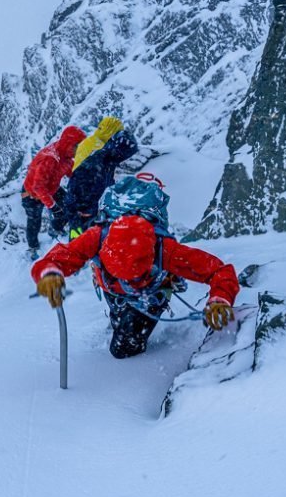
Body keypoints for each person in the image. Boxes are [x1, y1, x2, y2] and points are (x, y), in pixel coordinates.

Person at [31, 212, 239, 359]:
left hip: (149, 293)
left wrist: (220, 298)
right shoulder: (95, 237)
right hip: (114, 290)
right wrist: (49, 273)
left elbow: (219, 271)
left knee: (123, 349)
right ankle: (123, 317)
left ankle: (148, 307)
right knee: (119, 320)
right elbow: (58, 259)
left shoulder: (165, 250)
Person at [22, 125, 86, 258]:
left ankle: (55, 229)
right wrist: (52, 206)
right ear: (69, 144)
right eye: (76, 146)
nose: (78, 150)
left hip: (51, 189)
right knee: (34, 221)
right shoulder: (50, 159)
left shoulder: (66, 156)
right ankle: (32, 248)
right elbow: (38, 187)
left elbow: (70, 172)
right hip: (32, 194)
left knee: (67, 206)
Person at [65, 129, 139, 237]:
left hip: (96, 216)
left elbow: (107, 187)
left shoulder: (108, 162)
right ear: (119, 151)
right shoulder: (95, 164)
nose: (125, 159)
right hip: (83, 219)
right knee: (80, 249)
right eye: (126, 154)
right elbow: (72, 191)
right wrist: (76, 217)